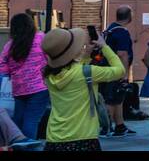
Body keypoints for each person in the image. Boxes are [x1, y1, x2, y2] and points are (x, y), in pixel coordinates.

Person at [41, 26, 124, 152]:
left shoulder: (49, 74)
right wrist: (104, 47)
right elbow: (120, 71)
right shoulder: (88, 72)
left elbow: (72, 71)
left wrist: (85, 56)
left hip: (54, 138)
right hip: (84, 137)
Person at [0, 12, 49, 141]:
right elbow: (49, 58)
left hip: (18, 88)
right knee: (31, 121)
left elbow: (2, 64)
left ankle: (17, 145)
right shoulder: (40, 38)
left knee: (18, 120)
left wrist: (9, 74)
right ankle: (28, 147)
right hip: (40, 88)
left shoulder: (10, 45)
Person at [101, 5, 135, 137]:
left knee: (118, 98)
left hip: (107, 69)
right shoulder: (122, 32)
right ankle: (106, 127)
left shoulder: (109, 29)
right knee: (111, 99)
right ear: (129, 16)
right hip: (115, 70)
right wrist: (124, 74)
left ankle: (120, 126)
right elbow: (122, 54)